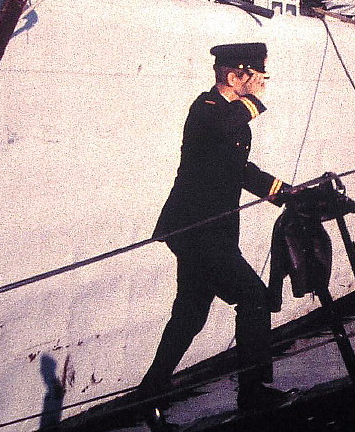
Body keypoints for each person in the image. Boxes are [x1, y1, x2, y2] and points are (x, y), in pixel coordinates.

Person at [139, 43, 294, 424]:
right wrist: (254, 102)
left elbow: (239, 169)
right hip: (197, 231)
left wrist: (285, 192)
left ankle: (149, 393)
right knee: (254, 298)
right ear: (233, 76)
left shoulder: (229, 120)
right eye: (255, 77)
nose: (261, 84)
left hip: (209, 231)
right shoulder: (206, 110)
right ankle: (253, 393)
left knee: (190, 313)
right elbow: (225, 125)